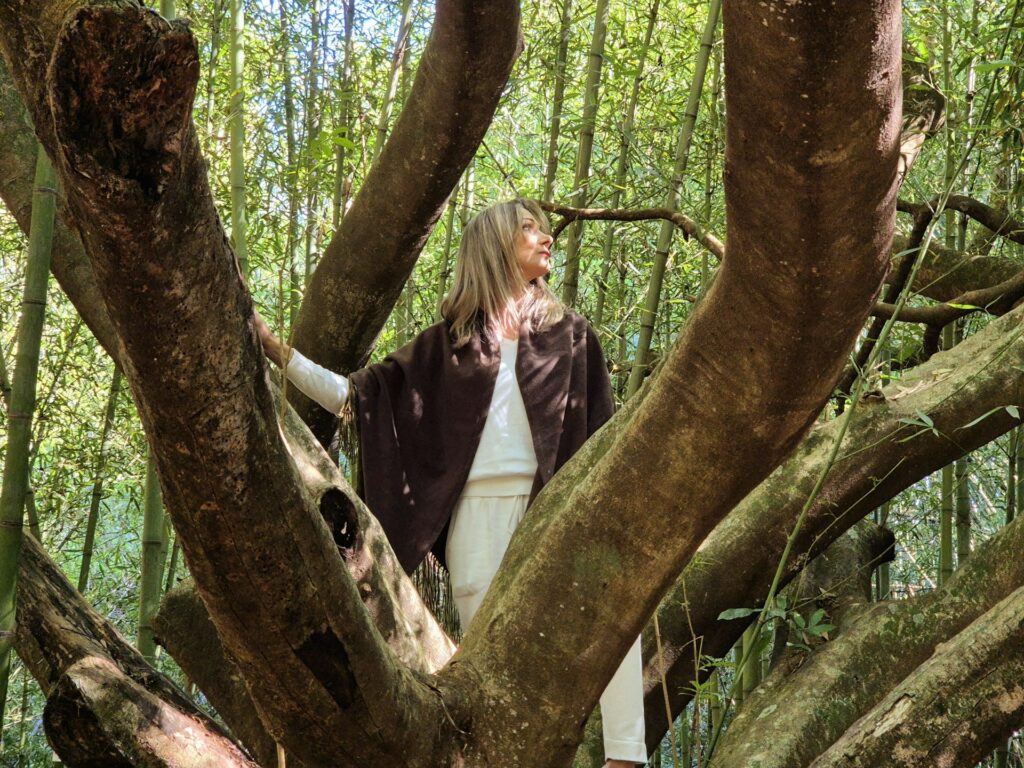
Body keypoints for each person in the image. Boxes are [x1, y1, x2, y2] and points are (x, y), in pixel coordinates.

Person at [256, 198, 646, 767]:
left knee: (611, 601)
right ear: (496, 244)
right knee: (494, 672)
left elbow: (603, 436)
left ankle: (626, 757)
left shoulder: (571, 336)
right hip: (475, 523)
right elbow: (356, 398)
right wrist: (278, 352)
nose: (546, 238)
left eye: (544, 228)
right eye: (529, 228)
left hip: (553, 507)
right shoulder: (445, 347)